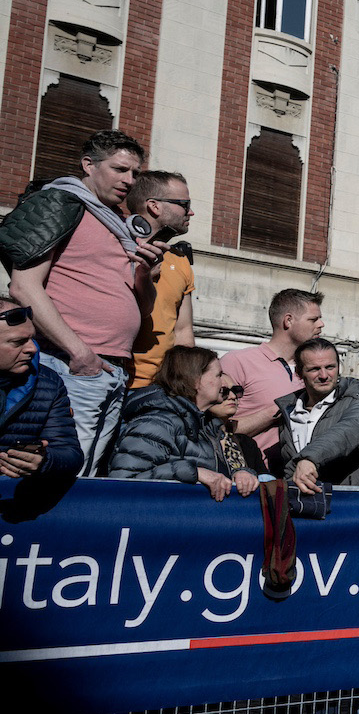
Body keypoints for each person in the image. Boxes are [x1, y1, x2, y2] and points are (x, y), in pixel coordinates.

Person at [0, 131, 167, 474]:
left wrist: (145, 273)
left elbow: (144, 307)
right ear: (88, 165)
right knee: (59, 475)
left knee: (85, 476)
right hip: (71, 364)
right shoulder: (63, 204)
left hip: (112, 367)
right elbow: (24, 286)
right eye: (120, 169)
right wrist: (79, 353)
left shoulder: (119, 224)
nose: (129, 181)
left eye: (135, 173)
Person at [108, 346, 260, 501]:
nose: (225, 384)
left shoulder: (208, 427)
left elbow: (213, 475)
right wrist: (194, 473)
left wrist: (239, 473)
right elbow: (125, 482)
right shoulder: (156, 423)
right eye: (218, 375)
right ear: (195, 380)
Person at [222, 289, 325, 461]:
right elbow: (216, 429)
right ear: (288, 321)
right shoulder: (237, 362)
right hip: (250, 479)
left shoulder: (317, 371)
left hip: (299, 479)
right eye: (313, 319)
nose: (321, 324)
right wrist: (279, 409)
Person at [276, 337, 359, 492]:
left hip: (346, 503)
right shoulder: (288, 410)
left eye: (330, 367)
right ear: (299, 373)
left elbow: (352, 428)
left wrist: (309, 459)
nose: (324, 375)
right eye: (314, 369)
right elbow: (288, 466)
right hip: (302, 505)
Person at [0, 299, 84, 494]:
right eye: (18, 342)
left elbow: (69, 453)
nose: (33, 348)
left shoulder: (48, 383)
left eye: (32, 338)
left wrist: (45, 461)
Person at [127, 170, 195, 389]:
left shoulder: (180, 260)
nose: (191, 212)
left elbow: (183, 331)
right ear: (154, 206)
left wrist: (187, 380)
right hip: (116, 376)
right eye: (184, 204)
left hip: (161, 387)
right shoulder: (115, 246)